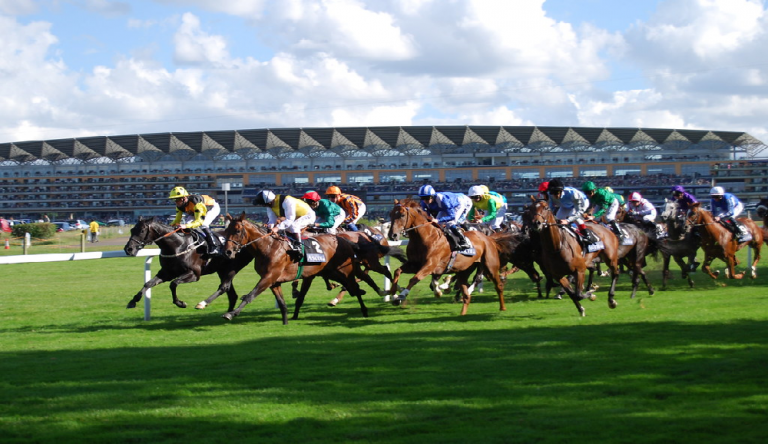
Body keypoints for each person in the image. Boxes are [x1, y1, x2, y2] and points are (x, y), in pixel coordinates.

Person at [253, 189, 316, 255]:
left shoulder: (287, 201)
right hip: (296, 217)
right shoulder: (270, 206)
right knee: (283, 227)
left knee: (293, 226)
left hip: (308, 215)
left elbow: (289, 220)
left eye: (263, 205)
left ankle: (298, 247)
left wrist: (276, 228)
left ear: (269, 202)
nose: (264, 206)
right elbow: (272, 220)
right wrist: (269, 227)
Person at [169, 186, 221, 256]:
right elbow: (177, 220)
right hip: (194, 211)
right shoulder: (179, 206)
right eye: (174, 200)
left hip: (212, 208)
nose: (176, 202)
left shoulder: (196, 202)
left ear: (184, 198)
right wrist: (168, 227)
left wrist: (185, 225)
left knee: (204, 224)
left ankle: (214, 246)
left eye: (177, 200)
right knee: (188, 224)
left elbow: (199, 221)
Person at [418, 184, 472, 250]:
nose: (425, 200)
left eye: (427, 198)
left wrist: (438, 220)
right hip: (445, 207)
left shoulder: (443, 200)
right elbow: (427, 216)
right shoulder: (423, 203)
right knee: (436, 224)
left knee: (450, 223)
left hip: (460, 203)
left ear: (432, 196)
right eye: (422, 198)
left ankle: (464, 241)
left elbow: (452, 216)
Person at [546, 178, 595, 243]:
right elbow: (550, 208)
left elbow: (579, 212)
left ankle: (588, 236)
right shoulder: (550, 195)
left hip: (581, 204)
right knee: (557, 221)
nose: (555, 195)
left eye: (557, 192)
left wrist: (567, 220)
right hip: (566, 205)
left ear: (561, 190)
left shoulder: (573, 194)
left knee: (574, 218)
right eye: (553, 193)